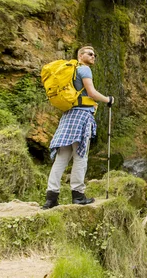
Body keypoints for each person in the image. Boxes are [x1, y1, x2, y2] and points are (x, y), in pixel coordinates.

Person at [42, 45, 114, 209]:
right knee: (80, 157)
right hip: (81, 116)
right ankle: (78, 195)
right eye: (90, 53)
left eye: (94, 54)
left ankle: (51, 198)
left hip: (68, 117)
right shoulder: (84, 70)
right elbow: (91, 93)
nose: (93, 56)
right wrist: (108, 99)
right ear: (81, 55)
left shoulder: (72, 70)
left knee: (61, 159)